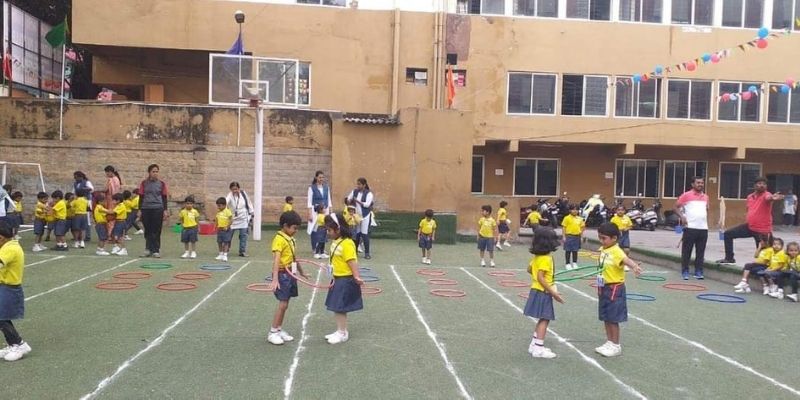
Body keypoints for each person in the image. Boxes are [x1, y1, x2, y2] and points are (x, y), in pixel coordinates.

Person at [595, 222, 642, 358]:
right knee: (606, 317)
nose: (601, 241)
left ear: (614, 238)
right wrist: (599, 284)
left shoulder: (616, 251)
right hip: (603, 286)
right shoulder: (603, 249)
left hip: (614, 288)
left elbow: (625, 259)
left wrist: (634, 266)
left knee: (613, 318)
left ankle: (616, 345)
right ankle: (609, 342)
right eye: (600, 237)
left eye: (604, 238)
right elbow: (601, 268)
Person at [718, 177, 784, 264]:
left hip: (762, 231)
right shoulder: (750, 197)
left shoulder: (766, 195)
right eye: (759, 183)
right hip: (750, 227)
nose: (762, 185)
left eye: (764, 184)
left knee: (763, 257)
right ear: (754, 185)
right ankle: (729, 258)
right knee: (728, 234)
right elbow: (749, 209)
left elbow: (769, 198)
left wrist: (772, 198)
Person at [323, 213, 364, 345]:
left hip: (345, 279)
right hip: (336, 278)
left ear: (338, 229)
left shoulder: (347, 243)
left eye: (329, 230)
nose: (328, 232)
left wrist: (356, 276)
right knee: (336, 306)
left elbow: (352, 261)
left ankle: (342, 333)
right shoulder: (336, 241)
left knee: (340, 307)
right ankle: (340, 330)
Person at [267, 211, 306, 345]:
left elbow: (294, 257)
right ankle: (272, 332)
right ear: (285, 226)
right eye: (294, 228)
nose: (296, 231)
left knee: (286, 304)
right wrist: (275, 278)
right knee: (282, 304)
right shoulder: (279, 240)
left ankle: (278, 329)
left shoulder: (290, 239)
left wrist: (301, 272)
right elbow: (276, 260)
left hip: (290, 273)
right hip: (282, 274)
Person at [524, 226, 563, 359]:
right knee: (545, 319)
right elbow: (541, 277)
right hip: (543, 292)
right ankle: (538, 348)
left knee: (542, 318)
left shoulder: (537, 257)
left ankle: (534, 344)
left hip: (536, 290)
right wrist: (553, 293)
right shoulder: (546, 258)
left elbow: (529, 269)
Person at [0, 221, 32, 361]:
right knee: (3, 318)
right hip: (5, 286)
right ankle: (13, 343)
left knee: (2, 318)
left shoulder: (9, 249)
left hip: (9, 288)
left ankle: (19, 344)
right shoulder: (9, 246)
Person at [674, 176, 709, 280]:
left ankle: (698, 271)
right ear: (693, 184)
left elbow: (706, 210)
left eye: (702, 183)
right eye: (698, 183)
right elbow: (675, 207)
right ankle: (685, 271)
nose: (700, 184)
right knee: (687, 251)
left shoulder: (706, 197)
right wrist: (682, 217)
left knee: (700, 252)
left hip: (703, 228)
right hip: (690, 228)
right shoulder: (686, 195)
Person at [138, 164, 169, 258]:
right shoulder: (144, 183)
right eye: (153, 171)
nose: (155, 173)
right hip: (146, 208)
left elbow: (164, 197)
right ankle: (148, 249)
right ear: (149, 172)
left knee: (156, 230)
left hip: (158, 208)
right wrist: (139, 210)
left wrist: (165, 210)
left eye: (157, 171)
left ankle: (156, 250)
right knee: (148, 230)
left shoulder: (161, 184)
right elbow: (141, 197)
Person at [347, 178, 375, 260]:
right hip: (356, 216)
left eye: (359, 184)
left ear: (364, 185)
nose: (358, 186)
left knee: (364, 233)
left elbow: (367, 205)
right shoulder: (354, 191)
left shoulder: (369, 194)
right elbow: (348, 198)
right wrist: (349, 200)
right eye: (357, 184)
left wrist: (357, 201)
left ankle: (367, 253)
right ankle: (354, 251)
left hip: (365, 216)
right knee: (357, 234)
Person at [226, 182, 254, 257]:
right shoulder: (229, 196)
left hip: (243, 218)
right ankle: (226, 249)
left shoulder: (243, 194)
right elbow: (225, 202)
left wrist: (252, 212)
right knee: (229, 235)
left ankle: (242, 251)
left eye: (236, 189)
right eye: (233, 189)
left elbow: (248, 202)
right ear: (230, 189)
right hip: (233, 219)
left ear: (239, 188)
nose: (235, 191)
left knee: (243, 236)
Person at [561, 205, 585, 271]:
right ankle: (567, 264)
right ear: (570, 210)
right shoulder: (566, 218)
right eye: (573, 209)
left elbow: (582, 228)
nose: (575, 211)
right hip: (569, 236)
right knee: (568, 250)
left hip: (577, 236)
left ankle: (575, 263)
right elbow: (564, 227)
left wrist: (581, 237)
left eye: (576, 209)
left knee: (575, 250)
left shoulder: (580, 219)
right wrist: (563, 236)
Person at [73, 171, 94, 242]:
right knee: (79, 220)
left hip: (86, 201)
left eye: (76, 177)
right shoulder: (75, 183)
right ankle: (79, 236)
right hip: (78, 202)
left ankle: (87, 236)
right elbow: (74, 192)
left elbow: (91, 189)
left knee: (87, 219)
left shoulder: (87, 182)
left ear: (81, 177)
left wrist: (82, 190)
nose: (75, 179)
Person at [103, 166, 122, 235]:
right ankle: (114, 234)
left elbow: (106, 189)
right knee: (115, 217)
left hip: (111, 200)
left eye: (107, 173)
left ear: (110, 172)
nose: (106, 174)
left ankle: (110, 234)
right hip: (116, 200)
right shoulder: (117, 179)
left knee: (110, 217)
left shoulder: (110, 180)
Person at [214, 197, 233, 262]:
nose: (218, 207)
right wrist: (215, 226)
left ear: (224, 205)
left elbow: (231, 220)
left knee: (226, 242)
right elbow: (216, 219)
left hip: (226, 230)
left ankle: (225, 255)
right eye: (217, 206)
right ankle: (220, 254)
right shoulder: (218, 212)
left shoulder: (228, 211)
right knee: (219, 242)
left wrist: (227, 226)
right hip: (220, 229)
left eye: (219, 206)